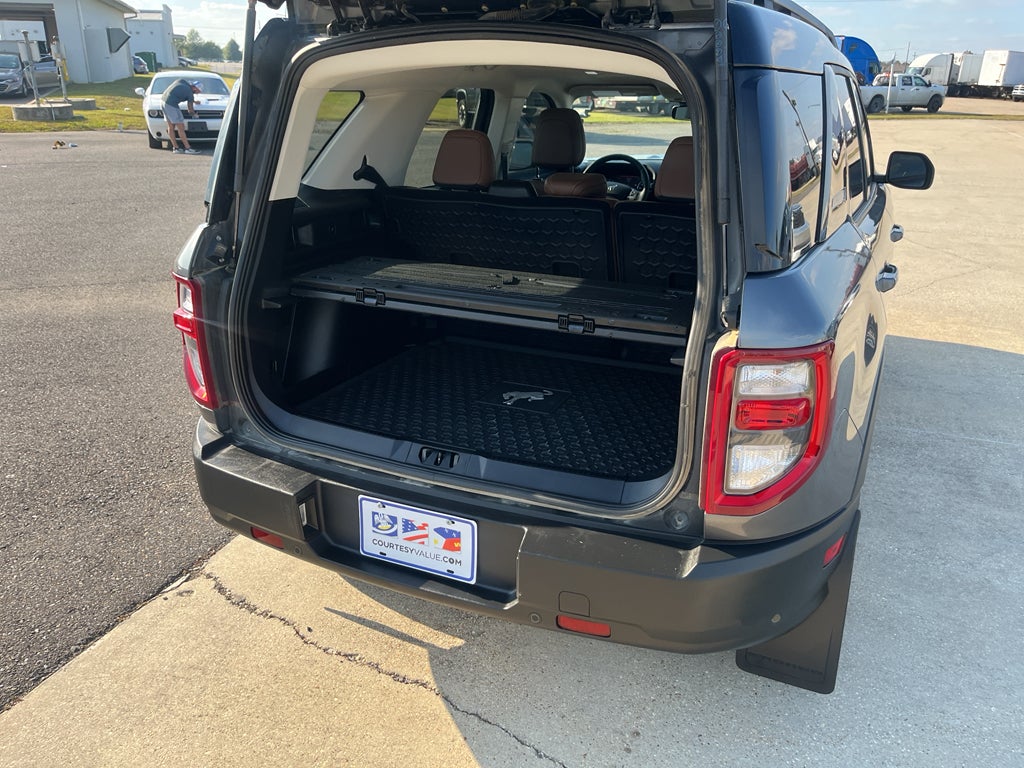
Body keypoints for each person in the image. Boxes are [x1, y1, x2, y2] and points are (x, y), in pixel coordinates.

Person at [161, 78, 202, 154]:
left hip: (163, 101)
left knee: (171, 126)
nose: (196, 93)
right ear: (194, 88)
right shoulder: (189, 93)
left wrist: (193, 101)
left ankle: (176, 148)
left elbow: (181, 93)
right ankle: (187, 148)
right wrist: (195, 115)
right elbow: (190, 110)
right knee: (181, 127)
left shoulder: (182, 81)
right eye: (197, 91)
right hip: (171, 105)